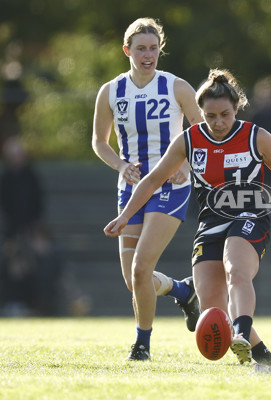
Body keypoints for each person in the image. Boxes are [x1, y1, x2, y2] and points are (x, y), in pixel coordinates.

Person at [104, 69, 271, 374]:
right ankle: (268, 361)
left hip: (249, 215)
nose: (218, 122)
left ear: (236, 108)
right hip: (210, 222)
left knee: (236, 271)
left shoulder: (256, 136)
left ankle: (240, 331)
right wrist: (124, 215)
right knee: (213, 311)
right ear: (201, 113)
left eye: (224, 114)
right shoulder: (190, 140)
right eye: (210, 116)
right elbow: (152, 180)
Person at [92, 18, 203, 361]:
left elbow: (204, 135)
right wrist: (120, 165)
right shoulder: (111, 91)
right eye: (141, 48)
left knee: (142, 268)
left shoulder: (177, 87)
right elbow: (99, 141)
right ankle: (183, 290)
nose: (148, 54)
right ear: (127, 51)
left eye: (153, 48)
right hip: (132, 189)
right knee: (133, 280)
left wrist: (183, 165)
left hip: (171, 185)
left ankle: (142, 344)